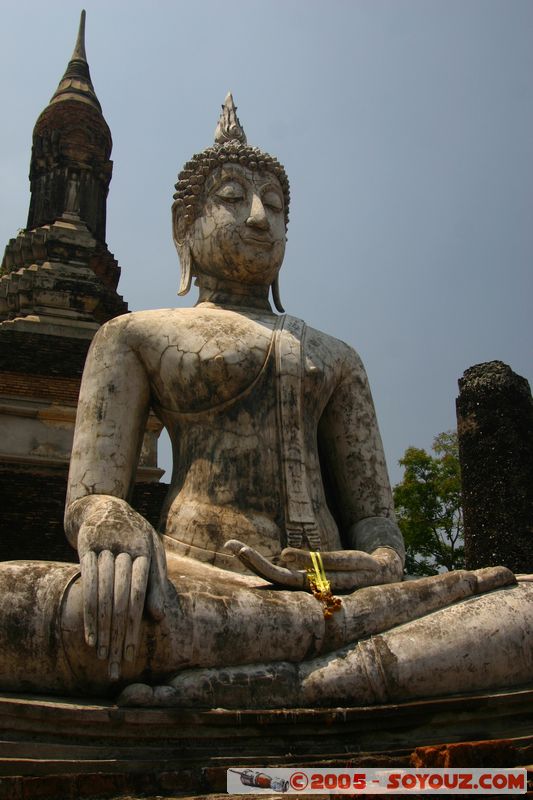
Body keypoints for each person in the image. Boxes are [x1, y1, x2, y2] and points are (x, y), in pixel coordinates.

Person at [0, 96, 531, 706]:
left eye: (275, 206)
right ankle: (332, 673)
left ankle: (283, 678)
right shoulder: (132, 336)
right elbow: (92, 498)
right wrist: (106, 520)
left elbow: (375, 519)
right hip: (195, 589)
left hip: (340, 596)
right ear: (184, 229)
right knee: (23, 606)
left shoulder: (337, 357)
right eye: (232, 197)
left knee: (523, 604)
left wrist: (385, 559)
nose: (259, 218)